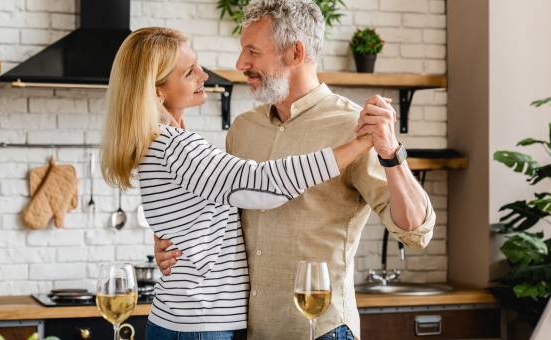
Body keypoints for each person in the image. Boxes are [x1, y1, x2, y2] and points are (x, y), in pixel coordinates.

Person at [154, 1, 437, 339]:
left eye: (252, 52)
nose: (240, 63)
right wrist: (171, 243)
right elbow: (220, 218)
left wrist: (391, 153)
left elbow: (416, 232)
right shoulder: (243, 129)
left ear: (295, 53)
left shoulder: (354, 128)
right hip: (249, 330)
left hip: (320, 330)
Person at [100, 27, 376, 340]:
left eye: (198, 64)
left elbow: (189, 219)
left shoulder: (157, 145)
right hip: (201, 324)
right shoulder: (176, 145)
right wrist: (358, 145)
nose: (204, 75)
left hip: (184, 321)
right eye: (190, 72)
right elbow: (262, 185)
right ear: (158, 91)